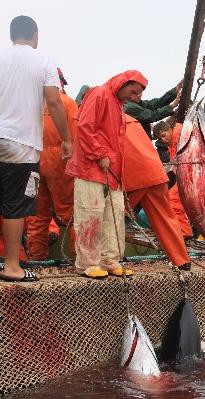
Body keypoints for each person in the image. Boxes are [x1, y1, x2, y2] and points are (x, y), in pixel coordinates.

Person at [0, 16, 73, 282]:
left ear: (10, 36)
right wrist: (67, 140)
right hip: (20, 145)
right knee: (16, 206)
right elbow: (53, 102)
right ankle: (12, 267)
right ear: (35, 35)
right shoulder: (43, 61)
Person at [66, 70, 148, 278]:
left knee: (114, 216)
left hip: (112, 172)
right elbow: (85, 127)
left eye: (137, 94)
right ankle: (87, 264)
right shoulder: (100, 94)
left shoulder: (118, 104)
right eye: (132, 91)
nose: (132, 97)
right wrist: (99, 153)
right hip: (90, 168)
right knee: (90, 215)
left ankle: (110, 260)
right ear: (124, 82)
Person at [123, 115, 191, 270]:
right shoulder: (133, 121)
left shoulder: (108, 120)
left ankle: (103, 260)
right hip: (156, 173)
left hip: (134, 176)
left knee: (112, 216)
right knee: (166, 217)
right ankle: (182, 260)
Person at [27, 68, 78, 260]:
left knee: (37, 214)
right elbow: (76, 139)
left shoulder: (30, 105)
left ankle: (37, 257)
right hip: (61, 161)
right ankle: (78, 258)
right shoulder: (67, 103)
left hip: (32, 162)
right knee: (70, 211)